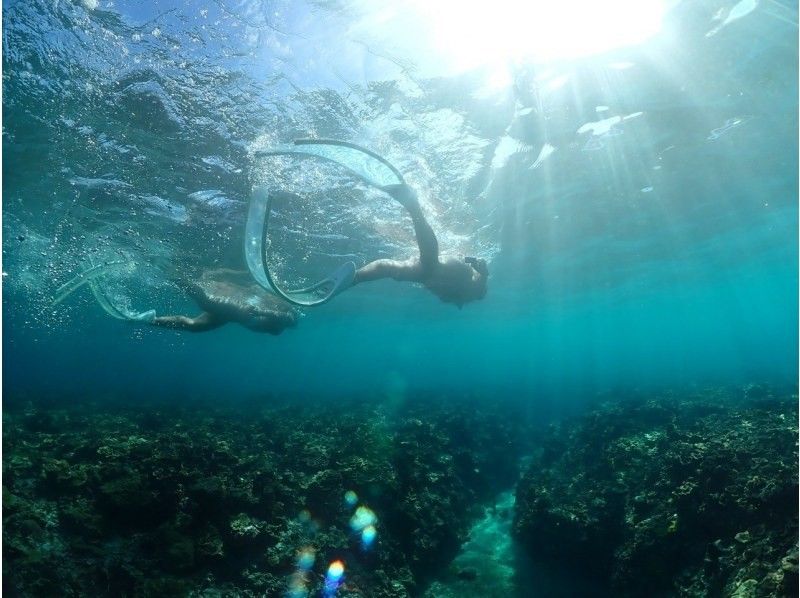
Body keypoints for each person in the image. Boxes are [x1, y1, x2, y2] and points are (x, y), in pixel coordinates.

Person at [352, 184, 488, 308]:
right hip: (450, 270)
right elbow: (481, 285)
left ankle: (356, 278)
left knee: (392, 270)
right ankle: (413, 206)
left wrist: (482, 272)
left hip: (428, 277)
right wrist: (483, 271)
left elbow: (479, 287)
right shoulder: (473, 291)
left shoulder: (464, 295)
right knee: (430, 262)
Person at [151, 268, 297, 333]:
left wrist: (263, 312)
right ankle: (175, 276)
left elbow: (287, 319)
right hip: (240, 309)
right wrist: (262, 311)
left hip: (234, 316)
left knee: (195, 326)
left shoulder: (279, 327)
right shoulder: (284, 316)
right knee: (206, 302)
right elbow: (286, 317)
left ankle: (149, 320)